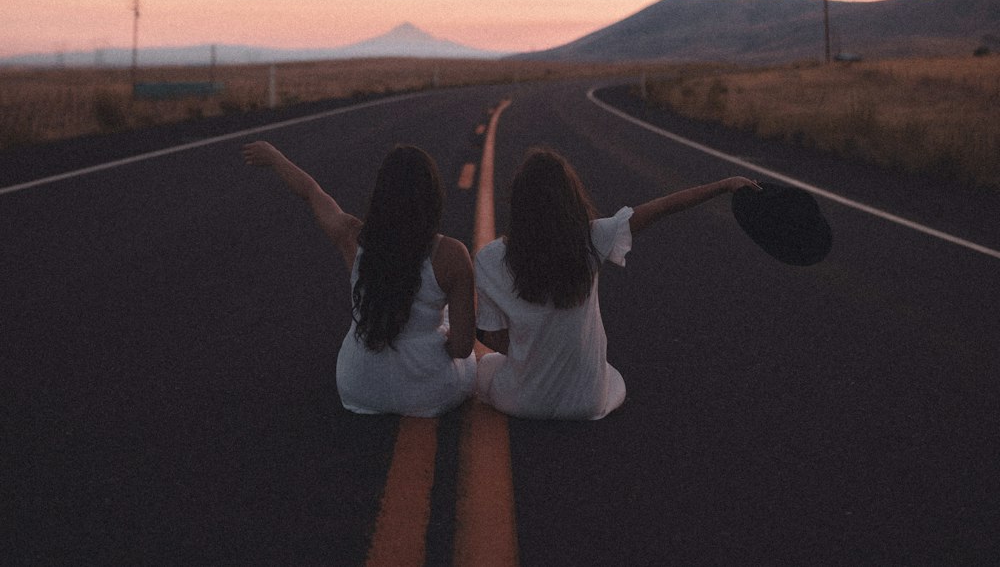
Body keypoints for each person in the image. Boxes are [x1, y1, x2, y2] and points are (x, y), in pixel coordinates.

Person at [474, 147, 761, 420]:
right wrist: (724, 185)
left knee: (483, 367)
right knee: (612, 379)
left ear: (518, 205)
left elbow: (499, 342)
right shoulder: (592, 239)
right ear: (570, 198)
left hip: (523, 403)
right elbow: (664, 206)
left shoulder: (490, 258)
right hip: (587, 403)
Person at [243, 140, 476, 416]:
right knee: (461, 340)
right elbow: (461, 348)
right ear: (433, 197)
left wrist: (275, 158)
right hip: (428, 391)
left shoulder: (352, 236)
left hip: (358, 386)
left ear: (380, 195)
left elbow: (311, 193)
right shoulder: (451, 254)